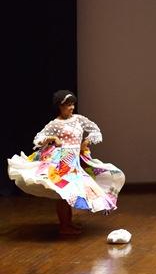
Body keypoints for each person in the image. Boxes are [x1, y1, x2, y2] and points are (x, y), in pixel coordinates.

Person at [7, 90, 125, 235]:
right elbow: (38, 139)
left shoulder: (78, 119)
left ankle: (68, 223)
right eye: (68, 105)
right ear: (60, 106)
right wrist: (52, 138)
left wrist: (86, 142)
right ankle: (64, 226)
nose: (72, 107)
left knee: (70, 193)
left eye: (72, 104)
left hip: (74, 161)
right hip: (62, 162)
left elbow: (95, 131)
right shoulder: (55, 124)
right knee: (65, 194)